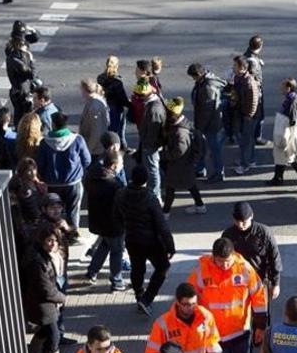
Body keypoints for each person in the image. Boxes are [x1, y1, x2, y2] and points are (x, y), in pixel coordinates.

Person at [188, 239, 267, 353]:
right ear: (213, 258)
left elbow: (259, 296)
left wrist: (260, 325)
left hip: (239, 330)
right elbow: (190, 295)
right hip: (213, 334)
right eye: (220, 262)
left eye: (228, 261)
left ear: (233, 256)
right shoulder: (202, 271)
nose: (224, 265)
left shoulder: (245, 269)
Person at [116, 165, 173, 313]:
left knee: (137, 268)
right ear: (146, 180)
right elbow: (162, 225)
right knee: (162, 267)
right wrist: (170, 245)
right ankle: (147, 298)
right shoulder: (150, 198)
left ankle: (139, 294)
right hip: (151, 241)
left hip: (132, 239)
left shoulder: (121, 194)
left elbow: (116, 216)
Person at [21, 225, 68, 353]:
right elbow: (45, 288)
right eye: (49, 240)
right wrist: (61, 298)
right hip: (42, 303)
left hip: (46, 302)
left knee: (43, 331)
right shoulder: (38, 261)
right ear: (42, 241)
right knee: (54, 334)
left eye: (55, 240)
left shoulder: (47, 256)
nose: (53, 244)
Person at [83, 150, 127, 292]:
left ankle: (92, 271)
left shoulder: (92, 177)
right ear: (114, 166)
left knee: (105, 245)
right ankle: (117, 281)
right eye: (121, 163)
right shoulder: (115, 185)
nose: (122, 166)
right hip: (113, 224)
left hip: (97, 221)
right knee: (116, 251)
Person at [38, 113, 90, 231]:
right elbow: (87, 160)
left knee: (55, 211)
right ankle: (72, 233)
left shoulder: (44, 143)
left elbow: (40, 165)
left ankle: (57, 233)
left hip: (52, 185)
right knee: (73, 210)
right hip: (73, 183)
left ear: (53, 125)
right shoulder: (77, 139)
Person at [222, 202, 283, 301]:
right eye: (238, 222)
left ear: (251, 216)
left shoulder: (264, 232)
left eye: (244, 222)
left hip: (260, 279)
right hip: (237, 280)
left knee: (261, 312)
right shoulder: (228, 234)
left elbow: (274, 257)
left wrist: (276, 283)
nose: (241, 225)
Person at [161, 98, 207, 216]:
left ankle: (165, 212)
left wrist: (164, 155)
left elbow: (179, 152)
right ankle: (200, 205)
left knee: (170, 187)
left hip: (179, 165)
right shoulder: (183, 124)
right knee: (191, 185)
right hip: (186, 164)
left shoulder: (180, 133)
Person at [188, 63, 228, 182]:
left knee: (214, 149)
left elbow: (207, 111)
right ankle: (201, 168)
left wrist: (200, 127)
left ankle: (219, 172)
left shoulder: (207, 87)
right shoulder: (205, 82)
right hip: (209, 122)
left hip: (210, 124)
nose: (193, 79)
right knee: (202, 146)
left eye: (193, 77)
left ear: (199, 74)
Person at [136, 78, 166, 201]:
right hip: (150, 143)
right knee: (154, 168)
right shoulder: (152, 103)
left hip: (151, 145)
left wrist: (147, 144)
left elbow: (153, 131)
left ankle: (155, 196)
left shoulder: (154, 109)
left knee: (153, 170)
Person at [270, 77, 297, 184]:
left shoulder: (292, 101)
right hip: (287, 132)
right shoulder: (291, 98)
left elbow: (292, 121)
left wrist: (285, 135)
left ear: (289, 88)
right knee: (282, 156)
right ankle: (277, 178)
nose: (280, 87)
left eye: (283, 86)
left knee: (291, 158)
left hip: (288, 134)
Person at [231, 56, 262, 175]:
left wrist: (249, 115)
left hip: (249, 116)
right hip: (242, 112)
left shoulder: (249, 82)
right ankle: (250, 159)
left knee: (245, 140)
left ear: (242, 68)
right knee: (247, 139)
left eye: (235, 66)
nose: (233, 68)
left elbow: (254, 100)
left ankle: (245, 164)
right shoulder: (238, 78)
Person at [79, 79, 110, 157]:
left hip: (95, 149)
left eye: (81, 89)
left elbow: (96, 132)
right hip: (96, 146)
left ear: (85, 90)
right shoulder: (95, 100)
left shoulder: (94, 107)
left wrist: (88, 150)